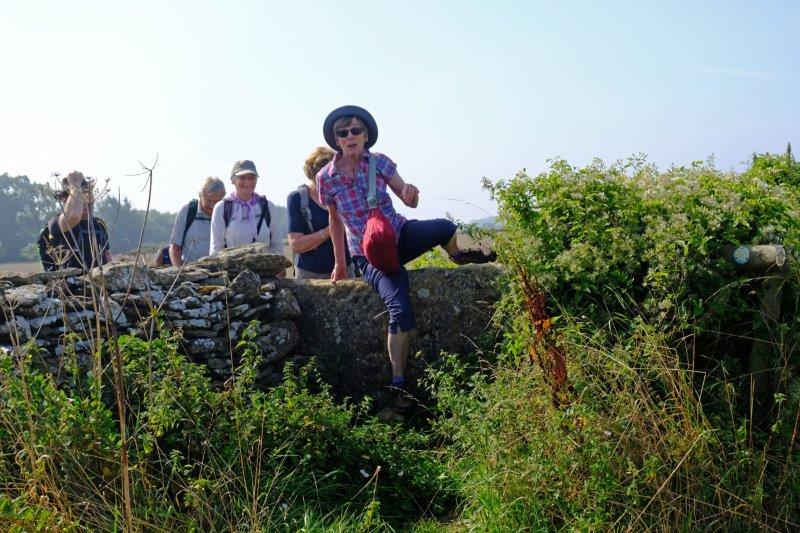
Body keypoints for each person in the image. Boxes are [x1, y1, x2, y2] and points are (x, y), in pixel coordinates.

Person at [316, 105, 494, 411]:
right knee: (399, 309)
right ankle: (398, 387)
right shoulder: (326, 178)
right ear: (336, 140)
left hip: (398, 235)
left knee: (444, 227)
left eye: (355, 130)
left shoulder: (381, 162)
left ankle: (470, 254)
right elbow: (334, 220)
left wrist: (412, 196)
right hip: (369, 255)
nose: (349, 137)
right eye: (342, 133)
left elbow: (407, 198)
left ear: (366, 134)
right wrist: (340, 263)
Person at [287, 147, 354, 279]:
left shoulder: (346, 194)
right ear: (313, 175)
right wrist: (331, 229)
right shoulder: (297, 199)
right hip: (309, 277)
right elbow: (296, 245)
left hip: (346, 272)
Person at [210, 159, 286, 256]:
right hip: (232, 270)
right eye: (242, 177)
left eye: (252, 177)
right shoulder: (222, 208)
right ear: (232, 180)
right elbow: (216, 249)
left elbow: (277, 246)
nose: (248, 182)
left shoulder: (268, 207)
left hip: (265, 270)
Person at [39, 171, 112, 272]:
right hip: (69, 285)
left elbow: (107, 257)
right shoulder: (57, 223)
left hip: (97, 284)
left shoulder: (99, 225)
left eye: (87, 195)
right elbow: (72, 216)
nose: (86, 203)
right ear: (65, 200)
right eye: (80, 199)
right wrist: (75, 185)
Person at [165, 177, 226, 266]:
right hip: (191, 270)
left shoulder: (228, 212)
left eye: (217, 202)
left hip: (221, 270)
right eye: (208, 201)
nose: (213, 206)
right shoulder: (187, 211)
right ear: (200, 196)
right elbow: (174, 249)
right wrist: (181, 274)